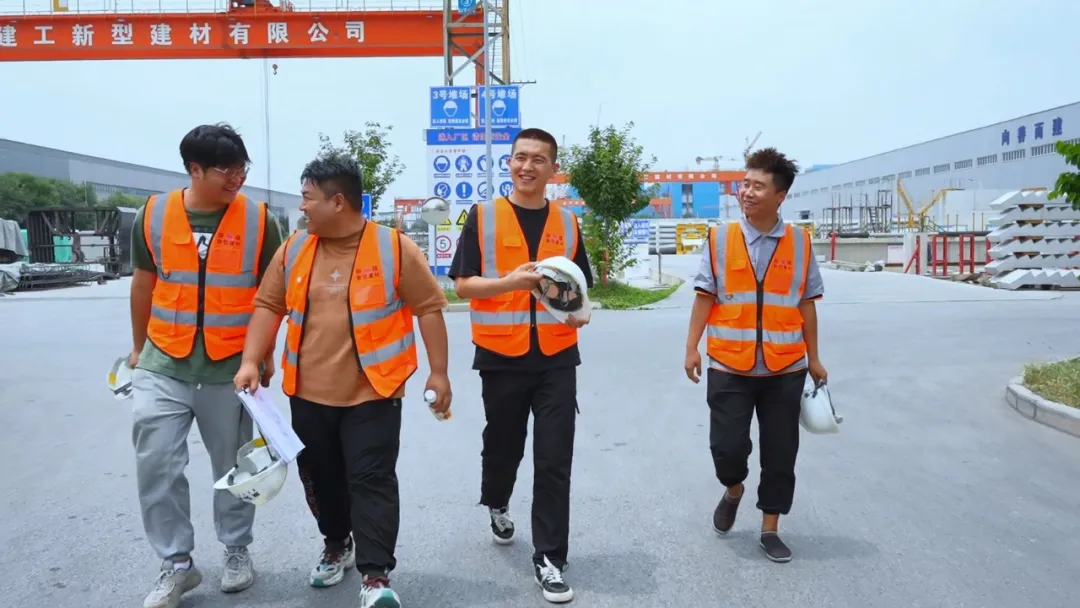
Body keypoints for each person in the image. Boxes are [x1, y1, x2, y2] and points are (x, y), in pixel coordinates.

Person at [234, 154, 451, 608]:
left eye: (308, 198)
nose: (302, 208)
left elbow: (429, 308)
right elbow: (269, 305)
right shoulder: (294, 248)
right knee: (322, 478)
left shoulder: (393, 248)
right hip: (307, 391)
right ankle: (336, 543)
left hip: (374, 390)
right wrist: (252, 360)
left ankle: (376, 576)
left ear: (338, 201)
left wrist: (438, 372)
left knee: (372, 480)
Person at [128, 123, 283, 608]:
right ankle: (176, 564)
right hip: (163, 362)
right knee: (157, 463)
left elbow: (270, 296)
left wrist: (263, 356)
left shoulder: (260, 221)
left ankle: (236, 549)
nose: (237, 178)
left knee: (235, 467)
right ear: (194, 169)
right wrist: (138, 349)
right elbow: (143, 283)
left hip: (229, 366)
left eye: (242, 168)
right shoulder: (153, 215)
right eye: (225, 170)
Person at [449, 127, 593, 604]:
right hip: (501, 356)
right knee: (504, 445)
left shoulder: (568, 224)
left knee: (554, 459)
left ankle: (550, 558)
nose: (527, 166)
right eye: (520, 158)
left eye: (538, 159)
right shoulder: (484, 217)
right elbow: (463, 285)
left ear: (554, 169)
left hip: (557, 357)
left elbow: (579, 290)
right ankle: (497, 500)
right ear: (509, 163)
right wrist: (510, 283)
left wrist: (580, 313)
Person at [683, 147, 827, 564]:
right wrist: (691, 347)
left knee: (781, 453)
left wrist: (814, 357)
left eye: (757, 186)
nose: (746, 192)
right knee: (727, 450)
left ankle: (770, 527)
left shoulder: (800, 242)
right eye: (745, 184)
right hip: (729, 363)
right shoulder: (720, 238)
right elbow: (704, 296)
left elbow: (807, 304)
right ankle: (733, 490)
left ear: (780, 196)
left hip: (785, 366)